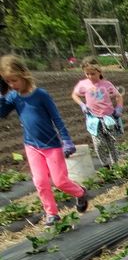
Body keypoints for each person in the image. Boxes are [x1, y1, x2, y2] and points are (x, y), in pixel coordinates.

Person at [0, 54, 88, 227]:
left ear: (23, 74)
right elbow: (2, 114)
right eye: (7, 82)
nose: (12, 85)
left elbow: (57, 118)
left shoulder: (41, 95)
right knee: (40, 181)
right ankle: (52, 213)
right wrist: (2, 95)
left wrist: (67, 140)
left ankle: (80, 193)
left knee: (60, 181)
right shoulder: (13, 97)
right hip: (32, 146)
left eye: (14, 80)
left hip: (52, 145)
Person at [71, 57, 124, 169]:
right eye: (87, 74)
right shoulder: (83, 84)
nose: (90, 76)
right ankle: (105, 164)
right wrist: (82, 104)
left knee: (111, 142)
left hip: (108, 117)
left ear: (99, 72)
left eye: (93, 74)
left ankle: (116, 164)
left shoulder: (106, 84)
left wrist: (119, 108)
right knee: (99, 143)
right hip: (93, 118)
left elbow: (118, 96)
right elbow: (74, 95)